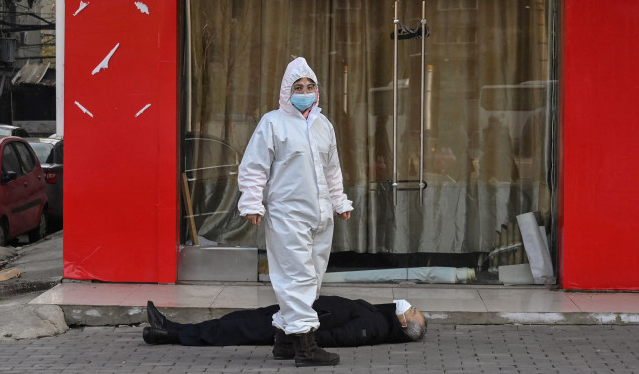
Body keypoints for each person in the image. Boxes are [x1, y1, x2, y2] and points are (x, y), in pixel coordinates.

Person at [237, 57, 354, 367]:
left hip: (320, 214)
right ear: (286, 92)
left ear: (317, 91)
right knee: (297, 277)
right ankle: (305, 345)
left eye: (310, 86)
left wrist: (339, 201)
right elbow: (254, 166)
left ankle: (283, 338)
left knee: (312, 277)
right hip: (287, 213)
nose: (305, 91)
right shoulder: (273, 123)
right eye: (298, 87)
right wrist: (251, 202)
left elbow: (332, 169)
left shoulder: (323, 124)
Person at [140, 296, 426, 351]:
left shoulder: (376, 326)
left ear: (404, 323)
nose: (408, 306)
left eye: (412, 311)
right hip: (295, 310)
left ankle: (168, 333)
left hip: (295, 323)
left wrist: (300, 337)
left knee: (232, 330)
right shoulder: (379, 315)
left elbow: (340, 337)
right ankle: (169, 328)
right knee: (236, 320)